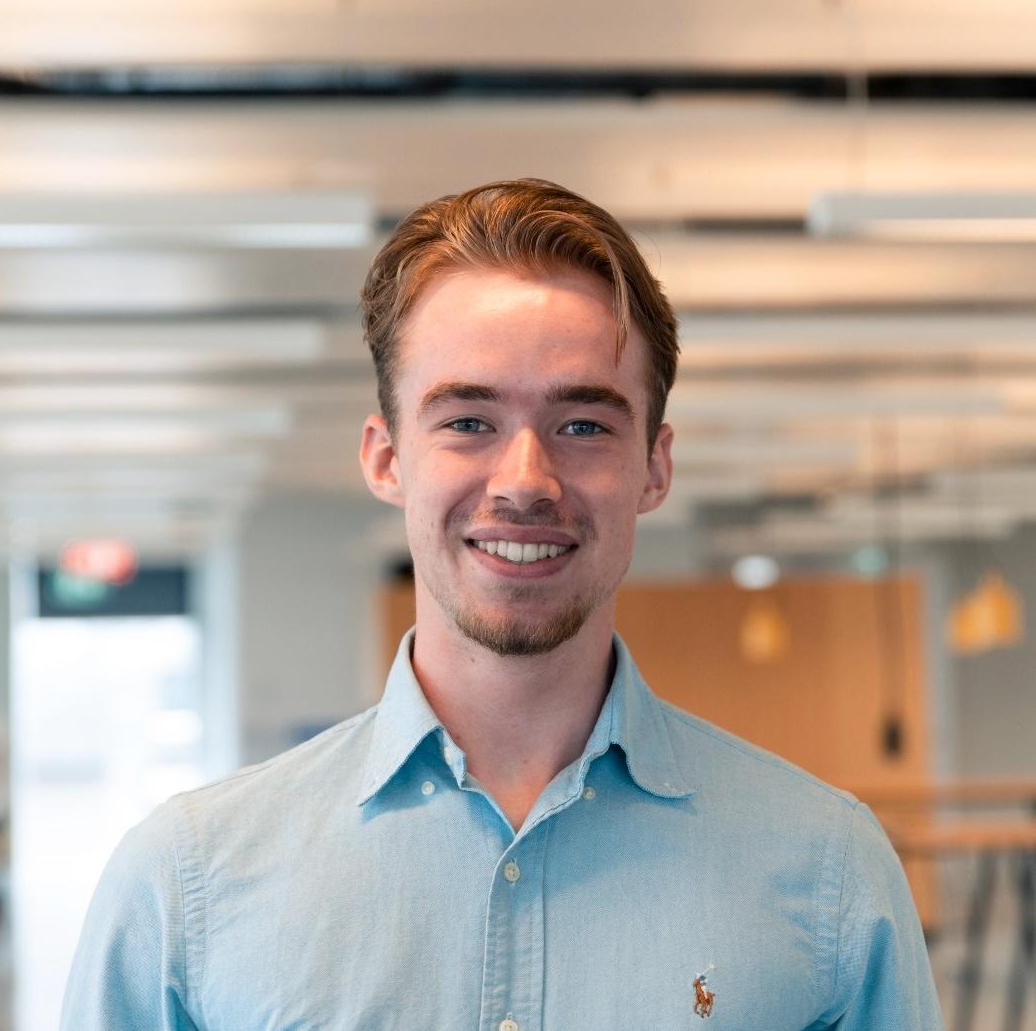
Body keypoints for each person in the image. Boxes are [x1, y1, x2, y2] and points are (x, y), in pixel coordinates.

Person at [62, 179, 944, 1029]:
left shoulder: (826, 874)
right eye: (468, 422)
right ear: (386, 458)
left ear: (654, 466)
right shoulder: (187, 887)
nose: (526, 481)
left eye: (583, 425)